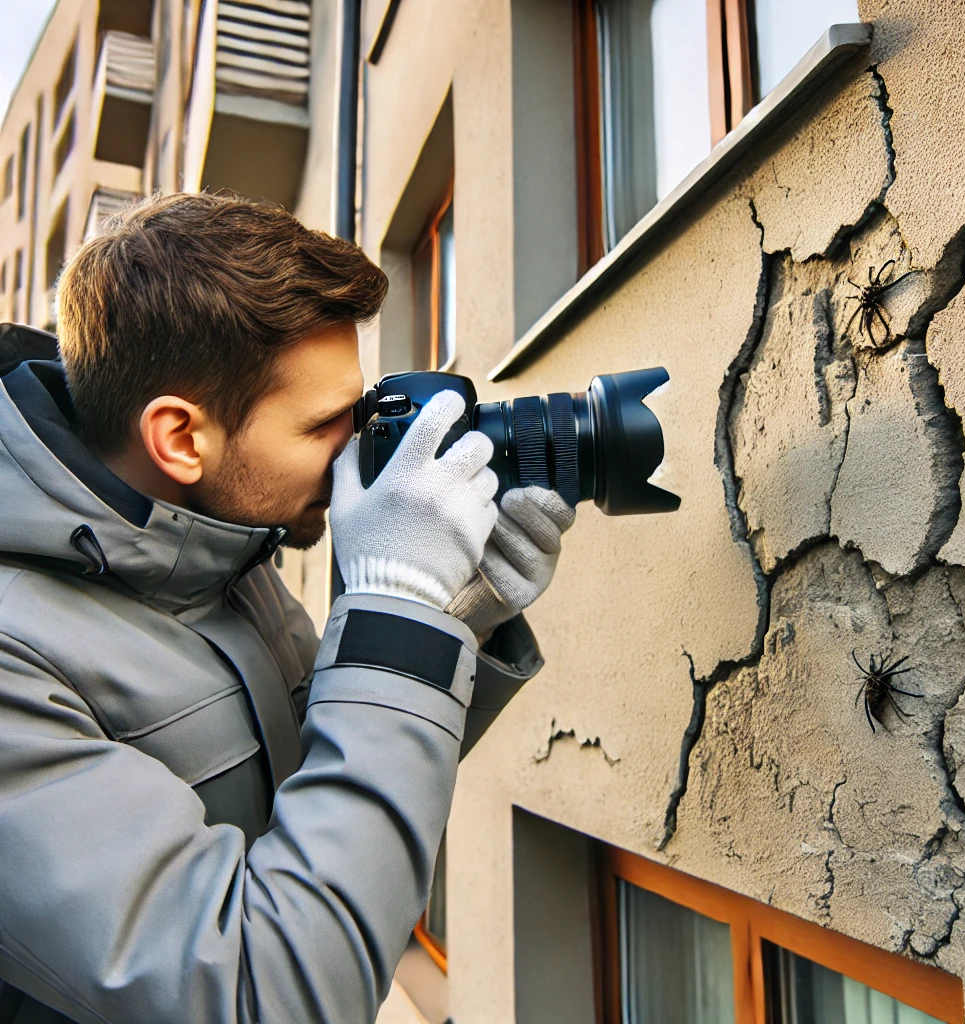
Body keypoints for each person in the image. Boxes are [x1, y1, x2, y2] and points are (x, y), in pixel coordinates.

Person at [0, 192, 575, 1024]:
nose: (357, 452)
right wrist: (394, 609)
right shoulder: (16, 656)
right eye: (323, 425)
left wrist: (450, 618)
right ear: (181, 438)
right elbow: (263, 990)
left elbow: (316, 763)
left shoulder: (211, 543)